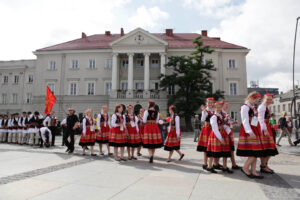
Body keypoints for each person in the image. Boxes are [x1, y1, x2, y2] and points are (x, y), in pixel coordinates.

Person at [236, 92, 265, 179]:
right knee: (255, 152)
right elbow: (245, 121)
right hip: (249, 131)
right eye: (255, 100)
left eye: (258, 100)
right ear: (250, 98)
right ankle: (245, 167)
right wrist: (250, 132)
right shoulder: (245, 107)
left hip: (255, 130)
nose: (256, 102)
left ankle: (253, 171)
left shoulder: (252, 107)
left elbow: (256, 120)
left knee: (254, 152)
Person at [206, 101, 233, 174]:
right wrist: (220, 139)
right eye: (217, 107)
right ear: (214, 108)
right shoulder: (213, 117)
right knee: (213, 152)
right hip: (216, 135)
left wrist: (228, 129)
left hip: (223, 134)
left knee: (225, 151)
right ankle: (209, 166)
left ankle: (224, 166)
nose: (218, 109)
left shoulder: (221, 116)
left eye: (220, 107)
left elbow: (223, 124)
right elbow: (214, 129)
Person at [257, 94, 278, 174]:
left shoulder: (265, 106)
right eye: (267, 99)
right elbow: (260, 119)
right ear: (263, 99)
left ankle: (264, 165)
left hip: (267, 127)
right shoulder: (262, 107)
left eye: (270, 99)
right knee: (268, 148)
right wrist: (265, 130)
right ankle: (263, 166)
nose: (269, 101)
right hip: (264, 128)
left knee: (268, 148)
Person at [221, 100, 241, 170]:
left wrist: (233, 123)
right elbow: (222, 124)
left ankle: (233, 164)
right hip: (225, 133)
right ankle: (223, 165)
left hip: (229, 132)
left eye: (228, 105)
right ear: (222, 105)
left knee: (231, 149)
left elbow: (228, 122)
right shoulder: (221, 113)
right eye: (226, 104)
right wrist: (229, 125)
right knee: (225, 149)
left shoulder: (225, 113)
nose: (227, 106)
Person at [196, 97, 215, 170]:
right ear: (206, 103)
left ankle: (212, 163)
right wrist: (204, 111)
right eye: (208, 102)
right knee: (206, 147)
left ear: (213, 103)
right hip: (206, 129)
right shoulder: (206, 110)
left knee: (212, 146)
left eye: (211, 102)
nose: (210, 103)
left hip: (213, 129)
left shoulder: (214, 110)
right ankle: (205, 163)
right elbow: (202, 119)